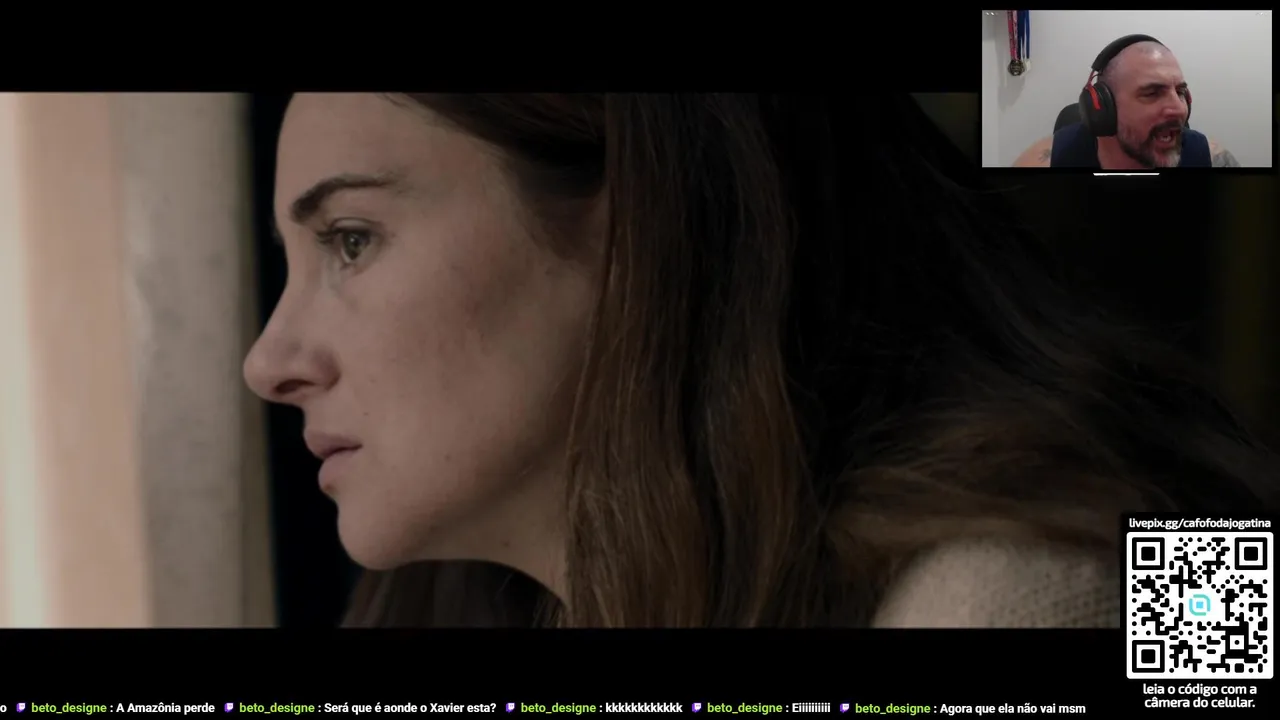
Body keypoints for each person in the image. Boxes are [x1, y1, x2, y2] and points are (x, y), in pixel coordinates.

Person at [244, 93, 1276, 628]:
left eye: (350, 240)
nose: (268, 362)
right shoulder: (500, 608)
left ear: (639, 225)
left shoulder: (1041, 595)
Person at [1014, 39, 1241, 168]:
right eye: (1152, 93)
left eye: (1180, 92)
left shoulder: (1210, 159)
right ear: (1102, 108)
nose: (1179, 109)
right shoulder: (1045, 162)